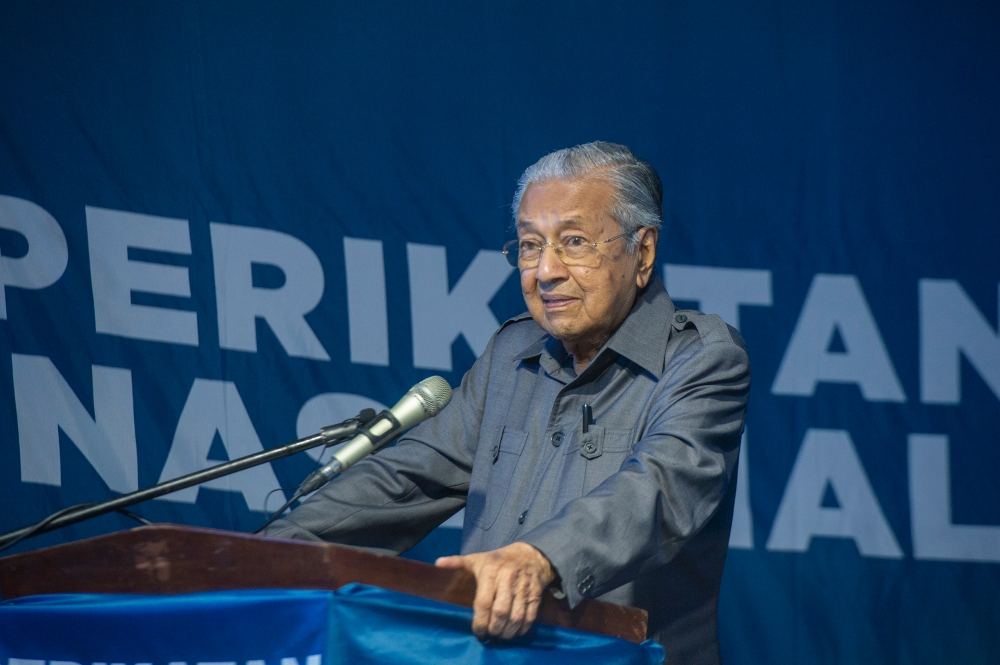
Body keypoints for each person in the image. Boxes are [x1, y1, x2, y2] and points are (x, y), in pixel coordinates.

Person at [265, 141, 750, 665]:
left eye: (574, 242)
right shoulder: (510, 355)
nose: (545, 270)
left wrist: (540, 559)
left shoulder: (702, 358)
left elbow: (658, 492)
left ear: (643, 251)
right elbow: (402, 483)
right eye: (528, 245)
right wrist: (256, 557)